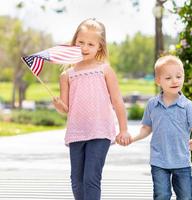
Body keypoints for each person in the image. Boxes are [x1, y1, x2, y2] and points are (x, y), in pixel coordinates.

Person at [52, 18, 131, 200]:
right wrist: (58, 106)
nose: (84, 48)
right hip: (76, 132)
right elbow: (66, 108)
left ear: (99, 48)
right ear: (74, 43)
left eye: (90, 44)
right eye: (80, 43)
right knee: (76, 179)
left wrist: (124, 129)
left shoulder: (104, 70)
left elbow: (118, 102)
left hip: (100, 131)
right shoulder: (67, 75)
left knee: (91, 178)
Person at [121, 55, 192, 200]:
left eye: (178, 76)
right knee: (162, 195)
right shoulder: (152, 105)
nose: (175, 81)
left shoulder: (187, 105)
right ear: (158, 81)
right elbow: (146, 128)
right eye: (168, 78)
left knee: (186, 196)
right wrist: (132, 138)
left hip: (181, 161)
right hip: (159, 160)